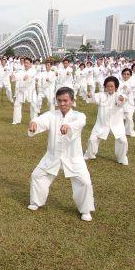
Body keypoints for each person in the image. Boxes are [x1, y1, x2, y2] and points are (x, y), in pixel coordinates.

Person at [27, 87, 95, 221]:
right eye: (59, 101)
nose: (62, 104)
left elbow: (80, 123)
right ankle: (36, 202)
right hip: (53, 155)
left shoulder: (79, 115)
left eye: (65, 100)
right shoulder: (52, 115)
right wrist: (34, 123)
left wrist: (69, 127)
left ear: (72, 101)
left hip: (73, 157)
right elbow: (40, 120)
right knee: (37, 175)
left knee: (85, 182)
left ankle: (86, 210)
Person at [83, 76, 129, 165]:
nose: (110, 88)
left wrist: (121, 99)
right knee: (92, 139)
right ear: (105, 87)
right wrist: (90, 95)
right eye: (108, 86)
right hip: (102, 123)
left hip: (116, 124)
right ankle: (89, 154)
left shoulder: (119, 95)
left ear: (116, 87)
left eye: (112, 86)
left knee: (123, 141)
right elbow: (94, 97)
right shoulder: (101, 95)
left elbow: (123, 98)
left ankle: (122, 158)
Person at [12, 57, 38, 125]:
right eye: (25, 63)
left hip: (31, 90)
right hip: (22, 90)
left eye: (27, 63)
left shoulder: (33, 70)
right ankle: (16, 120)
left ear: (31, 64)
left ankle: (34, 121)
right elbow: (15, 77)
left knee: (33, 105)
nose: (26, 64)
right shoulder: (21, 71)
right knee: (17, 104)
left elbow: (30, 76)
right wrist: (13, 76)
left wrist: (27, 77)